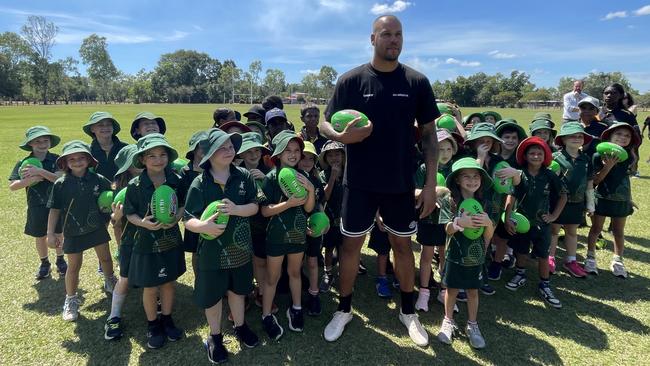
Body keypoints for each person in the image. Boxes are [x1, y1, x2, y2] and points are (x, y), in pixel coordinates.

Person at [319, 15, 440, 347]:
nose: (394, 40)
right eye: (386, 34)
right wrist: (341, 135)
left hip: (401, 183)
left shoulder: (416, 82)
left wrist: (429, 185)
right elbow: (325, 124)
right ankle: (344, 310)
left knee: (403, 246)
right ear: (372, 39)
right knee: (350, 247)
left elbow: (429, 136)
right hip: (359, 182)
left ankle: (407, 312)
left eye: (398, 34)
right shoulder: (351, 81)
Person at [184, 129, 261, 363]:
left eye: (231, 146)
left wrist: (237, 209)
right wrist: (204, 226)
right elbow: (188, 219)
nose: (229, 151)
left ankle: (240, 326)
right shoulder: (199, 183)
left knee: (238, 292)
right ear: (208, 154)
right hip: (211, 254)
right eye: (222, 147)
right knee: (213, 297)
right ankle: (215, 337)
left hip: (239, 250)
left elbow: (255, 206)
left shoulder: (244, 176)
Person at [123, 134, 186, 349]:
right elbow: (129, 214)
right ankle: (152, 324)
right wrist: (142, 223)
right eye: (152, 156)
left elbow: (182, 205)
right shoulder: (135, 185)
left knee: (168, 282)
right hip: (145, 243)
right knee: (150, 286)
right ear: (142, 159)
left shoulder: (176, 180)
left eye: (162, 155)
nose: (158, 160)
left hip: (170, 239)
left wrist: (176, 217)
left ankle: (167, 319)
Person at [46, 141, 116, 321]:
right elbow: (54, 209)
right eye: (72, 159)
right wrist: (50, 233)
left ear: (89, 160)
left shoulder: (98, 179)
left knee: (106, 258)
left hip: (96, 228)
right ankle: (71, 300)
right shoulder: (60, 184)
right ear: (65, 163)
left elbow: (112, 195)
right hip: (72, 231)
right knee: (74, 266)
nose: (77, 162)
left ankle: (110, 281)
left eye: (81, 158)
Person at [259, 131, 316, 340]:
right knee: (273, 277)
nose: (292, 155)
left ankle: (297, 308)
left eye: (296, 151)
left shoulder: (303, 176)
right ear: (279, 154)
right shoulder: (271, 178)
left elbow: (309, 209)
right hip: (276, 236)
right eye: (287, 151)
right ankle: (266, 315)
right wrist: (288, 203)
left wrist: (310, 190)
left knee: (294, 273)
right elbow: (265, 211)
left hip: (298, 235)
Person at [436, 158, 494, 349]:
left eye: (476, 176)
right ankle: (448, 320)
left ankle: (472, 324)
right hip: (454, 254)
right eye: (466, 176)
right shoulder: (449, 200)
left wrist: (488, 223)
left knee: (472, 291)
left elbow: (488, 234)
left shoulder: (485, 201)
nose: (472, 180)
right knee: (451, 289)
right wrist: (460, 223)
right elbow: (447, 229)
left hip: (475, 257)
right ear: (458, 180)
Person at [504, 137, 567, 309]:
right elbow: (512, 195)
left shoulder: (549, 175)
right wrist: (508, 217)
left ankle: (545, 285)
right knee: (521, 251)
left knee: (543, 255)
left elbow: (563, 195)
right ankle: (520, 274)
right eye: (532, 153)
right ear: (525, 155)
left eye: (539, 153)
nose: (536, 156)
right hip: (522, 222)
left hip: (542, 224)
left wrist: (554, 216)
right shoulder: (519, 173)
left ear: (545, 156)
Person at [9, 126, 67, 280]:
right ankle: (44, 263)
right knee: (40, 236)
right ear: (30, 144)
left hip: (56, 204)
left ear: (50, 142)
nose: (42, 144)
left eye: (45, 140)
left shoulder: (57, 159)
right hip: (36, 205)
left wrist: (40, 171)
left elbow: (60, 179)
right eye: (37, 141)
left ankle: (61, 259)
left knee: (58, 233)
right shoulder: (23, 163)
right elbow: (13, 186)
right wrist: (30, 180)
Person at [585, 123, 640, 278]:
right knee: (596, 229)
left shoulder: (628, 156)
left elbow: (624, 180)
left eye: (627, 136)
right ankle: (590, 258)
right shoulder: (598, 155)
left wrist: (629, 199)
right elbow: (595, 181)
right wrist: (607, 166)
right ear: (609, 136)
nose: (623, 138)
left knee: (618, 232)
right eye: (619, 134)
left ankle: (618, 261)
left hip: (621, 200)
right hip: (602, 198)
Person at [414, 129, 458, 311]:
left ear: (454, 150)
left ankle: (444, 291)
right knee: (426, 255)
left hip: (449, 222)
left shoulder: (457, 169)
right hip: (428, 219)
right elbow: (414, 191)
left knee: (446, 256)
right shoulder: (424, 168)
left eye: (448, 149)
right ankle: (423, 292)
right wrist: (432, 191)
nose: (445, 154)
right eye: (440, 149)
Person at [104, 144, 141, 340]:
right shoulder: (120, 190)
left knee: (155, 277)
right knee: (125, 278)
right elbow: (114, 223)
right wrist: (116, 215)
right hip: (129, 241)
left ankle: (158, 304)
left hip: (152, 239)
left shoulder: (155, 182)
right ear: (128, 167)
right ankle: (114, 315)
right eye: (136, 161)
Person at [236, 132, 276, 313]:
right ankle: (241, 294)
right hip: (241, 226)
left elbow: (273, 198)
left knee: (261, 262)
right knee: (241, 262)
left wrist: (264, 179)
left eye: (256, 151)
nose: (253, 155)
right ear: (241, 154)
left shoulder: (269, 171)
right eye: (248, 151)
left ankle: (260, 291)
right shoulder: (234, 172)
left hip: (263, 226)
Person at [548, 123, 594, 277]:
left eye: (580, 136)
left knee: (572, 231)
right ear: (563, 139)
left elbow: (589, 183)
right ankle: (550, 258)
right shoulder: (555, 157)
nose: (576, 138)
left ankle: (571, 260)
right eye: (572, 136)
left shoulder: (586, 159)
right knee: (554, 230)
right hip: (556, 201)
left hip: (577, 202)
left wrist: (590, 203)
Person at [298, 141, 326, 316]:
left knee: (313, 260)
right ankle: (299, 288)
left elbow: (321, 204)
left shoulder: (316, 180)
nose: (307, 162)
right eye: (303, 157)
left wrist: (324, 223)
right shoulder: (291, 177)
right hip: (297, 227)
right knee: (297, 262)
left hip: (314, 227)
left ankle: (314, 294)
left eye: (311, 158)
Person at [179, 131, 208, 277]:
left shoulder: (213, 168)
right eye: (201, 146)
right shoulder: (185, 171)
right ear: (194, 149)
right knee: (196, 252)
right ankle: (199, 280)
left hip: (211, 214)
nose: (204, 149)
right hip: (194, 216)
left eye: (207, 145)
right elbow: (183, 196)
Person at [318, 140, 346, 293]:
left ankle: (344, 274)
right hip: (329, 219)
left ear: (343, 156)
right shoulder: (324, 174)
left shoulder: (349, 173)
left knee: (343, 249)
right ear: (326, 158)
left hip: (345, 220)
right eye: (330, 155)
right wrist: (333, 177)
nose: (334, 158)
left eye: (337, 154)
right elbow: (324, 197)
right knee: (328, 248)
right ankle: (328, 273)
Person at [83, 111, 128, 181]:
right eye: (100, 125)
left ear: (113, 127)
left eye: (109, 124)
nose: (105, 127)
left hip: (122, 189)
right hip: (97, 190)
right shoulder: (87, 151)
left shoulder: (125, 149)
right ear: (92, 129)